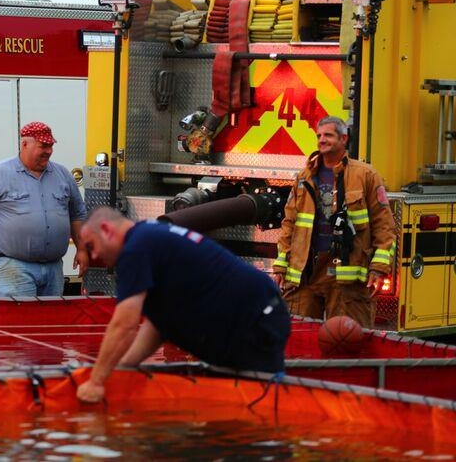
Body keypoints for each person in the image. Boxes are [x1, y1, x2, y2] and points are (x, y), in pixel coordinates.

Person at [75, 206, 290, 404]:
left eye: (91, 246)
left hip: (255, 321)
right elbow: (158, 326)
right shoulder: (147, 239)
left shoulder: (135, 249)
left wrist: (96, 381)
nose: (94, 256)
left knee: (258, 408)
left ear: (106, 230)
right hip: (253, 318)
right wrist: (124, 367)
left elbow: (124, 324)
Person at [272, 116, 396, 328]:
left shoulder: (365, 175)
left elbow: (384, 225)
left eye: (328, 135)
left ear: (344, 138)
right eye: (319, 135)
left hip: (347, 277)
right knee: (300, 339)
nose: (322, 140)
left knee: (347, 342)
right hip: (306, 273)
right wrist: (281, 266)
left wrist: (378, 268)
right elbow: (289, 224)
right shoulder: (305, 177)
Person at [0, 121, 88, 297]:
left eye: (51, 146)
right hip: (13, 268)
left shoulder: (63, 175)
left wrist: (82, 249)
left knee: (50, 323)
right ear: (25, 144)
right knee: (19, 321)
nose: (49, 151)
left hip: (54, 268)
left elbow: (77, 214)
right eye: (43, 145)